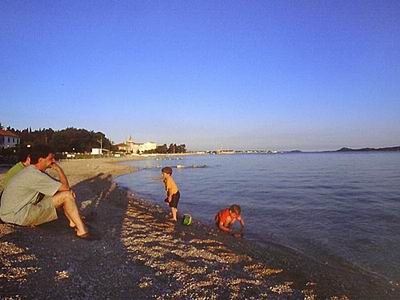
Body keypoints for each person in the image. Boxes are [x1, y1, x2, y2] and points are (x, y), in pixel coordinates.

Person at [0, 145, 90, 239]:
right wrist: (59, 169)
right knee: (66, 196)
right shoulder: (35, 175)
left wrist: (65, 191)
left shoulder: (30, 171)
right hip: (17, 216)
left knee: (63, 194)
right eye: (50, 158)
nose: (53, 161)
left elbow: (57, 186)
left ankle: (73, 221)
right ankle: (82, 231)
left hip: (10, 213)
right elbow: (65, 187)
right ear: (40, 160)